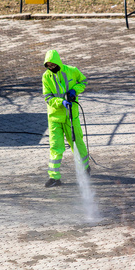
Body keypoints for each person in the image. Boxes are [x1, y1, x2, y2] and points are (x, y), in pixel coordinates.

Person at [42, 49, 90, 188]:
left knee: (77, 142)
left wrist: (75, 90)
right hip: (55, 117)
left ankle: (85, 168)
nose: (51, 67)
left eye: (53, 65)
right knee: (55, 147)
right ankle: (54, 177)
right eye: (48, 65)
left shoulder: (71, 71)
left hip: (71, 116)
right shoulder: (46, 77)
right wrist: (60, 101)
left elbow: (83, 81)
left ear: (58, 62)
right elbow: (48, 97)